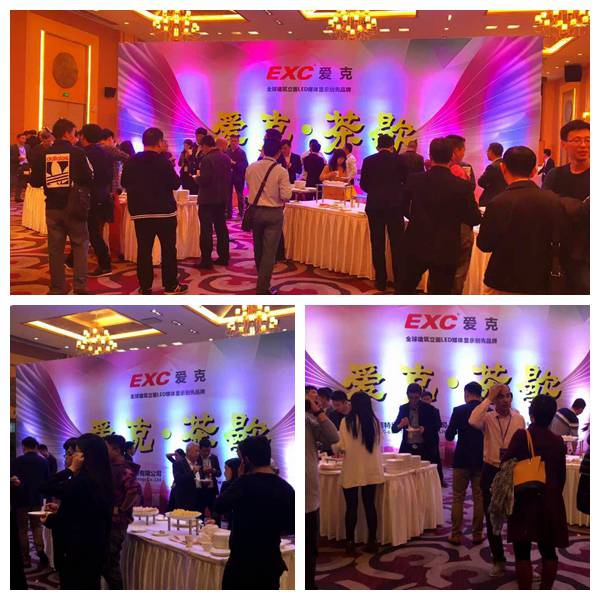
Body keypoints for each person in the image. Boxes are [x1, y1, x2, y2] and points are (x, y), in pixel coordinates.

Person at [477, 146, 567, 294]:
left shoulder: (498, 202)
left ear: (503, 168)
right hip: (540, 280)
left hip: (503, 280)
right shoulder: (552, 199)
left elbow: (485, 244)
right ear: (534, 171)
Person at [502, 394, 568, 590]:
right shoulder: (558, 441)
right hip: (550, 501)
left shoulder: (522, 436)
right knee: (549, 551)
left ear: (531, 414)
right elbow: (561, 477)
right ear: (552, 416)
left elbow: (506, 464)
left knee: (522, 552)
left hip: (524, 500)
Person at [402, 137, 481, 294]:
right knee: (440, 294)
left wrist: (417, 219)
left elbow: (404, 208)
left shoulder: (415, 180)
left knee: (405, 288)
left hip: (416, 241)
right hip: (446, 246)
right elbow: (474, 218)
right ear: (451, 156)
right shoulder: (462, 186)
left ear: (430, 156)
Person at [215, 436, 294, 590]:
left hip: (241, 563)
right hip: (270, 562)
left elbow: (219, 506)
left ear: (246, 460)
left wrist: (239, 479)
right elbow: (291, 526)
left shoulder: (243, 485)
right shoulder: (286, 488)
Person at [40, 434, 114, 589]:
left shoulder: (82, 481)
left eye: (77, 452)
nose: (73, 456)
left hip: (76, 550)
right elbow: (83, 511)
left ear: (86, 456)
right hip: (95, 547)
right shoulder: (103, 478)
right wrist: (62, 508)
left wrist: (70, 469)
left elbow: (45, 486)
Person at [121, 126, 188, 294]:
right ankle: (170, 285)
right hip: (164, 213)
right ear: (158, 142)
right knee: (168, 249)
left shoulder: (131, 161)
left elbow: (124, 183)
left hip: (141, 213)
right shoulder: (163, 161)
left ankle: (145, 286)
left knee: (144, 250)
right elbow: (176, 183)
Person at [29, 118, 93, 294]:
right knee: (80, 245)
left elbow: (34, 182)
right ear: (66, 133)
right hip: (75, 206)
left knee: (55, 249)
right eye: (74, 133)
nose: (76, 137)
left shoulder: (44, 154)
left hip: (52, 207)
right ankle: (80, 286)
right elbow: (88, 177)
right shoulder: (78, 153)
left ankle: (57, 287)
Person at [469, 383, 526, 577]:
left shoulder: (519, 419)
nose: (505, 400)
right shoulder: (487, 418)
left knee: (517, 517)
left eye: (508, 396)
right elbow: (472, 420)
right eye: (500, 397)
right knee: (492, 516)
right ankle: (498, 560)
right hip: (491, 470)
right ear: (494, 400)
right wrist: (488, 398)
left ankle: (522, 562)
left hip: (513, 470)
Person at [334, 391, 385, 555]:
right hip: (372, 470)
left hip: (352, 470)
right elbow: (380, 443)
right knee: (370, 505)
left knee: (351, 507)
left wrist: (335, 446)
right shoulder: (375, 422)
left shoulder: (346, 422)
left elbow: (341, 446)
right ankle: (372, 541)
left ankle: (350, 543)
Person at [543, 119, 590, 294]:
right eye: (577, 140)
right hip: (559, 254)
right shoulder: (555, 175)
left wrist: (561, 201)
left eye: (588, 140)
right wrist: (578, 205)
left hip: (588, 255)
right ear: (564, 144)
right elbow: (545, 205)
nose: (583, 145)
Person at [360, 134, 409, 293]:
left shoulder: (368, 160)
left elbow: (363, 184)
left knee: (377, 243)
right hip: (395, 207)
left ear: (378, 146)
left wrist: (375, 191)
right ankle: (399, 282)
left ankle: (381, 281)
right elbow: (406, 183)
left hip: (374, 206)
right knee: (397, 245)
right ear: (392, 146)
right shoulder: (400, 160)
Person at [245, 137, 292, 294]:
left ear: (264, 150)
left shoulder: (251, 167)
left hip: (255, 212)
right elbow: (286, 195)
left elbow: (249, 188)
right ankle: (262, 287)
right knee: (269, 252)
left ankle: (262, 279)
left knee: (258, 247)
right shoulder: (281, 171)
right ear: (278, 153)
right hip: (273, 213)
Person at [305, 388, 339, 589]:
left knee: (310, 546)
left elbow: (333, 437)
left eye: (316, 399)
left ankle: (309, 584)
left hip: (309, 495)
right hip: (301, 489)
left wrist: (316, 411)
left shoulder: (310, 420)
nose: (314, 401)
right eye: (310, 398)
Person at [445, 382, 485, 546]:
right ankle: (477, 534)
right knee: (479, 498)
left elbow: (449, 436)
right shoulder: (488, 411)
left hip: (461, 459)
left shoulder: (459, 410)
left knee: (458, 497)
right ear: (480, 394)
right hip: (481, 460)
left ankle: (455, 535)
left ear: (466, 393)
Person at [75, 124, 114, 277]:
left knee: (92, 231)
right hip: (103, 195)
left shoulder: (83, 153)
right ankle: (71, 260)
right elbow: (109, 176)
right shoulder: (105, 153)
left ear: (83, 136)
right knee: (90, 229)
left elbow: (81, 177)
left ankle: (105, 265)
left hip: (88, 196)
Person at [103, 434, 141, 589]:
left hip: (116, 523)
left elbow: (134, 491)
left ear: (116, 449)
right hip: (109, 522)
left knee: (109, 564)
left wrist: (121, 509)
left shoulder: (124, 469)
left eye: (106, 448)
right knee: (107, 562)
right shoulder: (113, 467)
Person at [11, 436, 50, 568]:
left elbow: (12, 480)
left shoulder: (17, 461)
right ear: (36, 446)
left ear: (24, 447)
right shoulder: (43, 462)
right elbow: (47, 482)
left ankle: (26, 559)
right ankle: (40, 551)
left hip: (20, 500)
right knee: (37, 526)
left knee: (22, 529)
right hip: (37, 499)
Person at [195, 134, 232, 269]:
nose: (201, 150)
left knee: (206, 230)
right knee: (221, 228)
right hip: (221, 198)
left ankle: (206, 260)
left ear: (205, 146)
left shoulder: (207, 159)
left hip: (207, 199)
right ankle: (224, 257)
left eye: (201, 147)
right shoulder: (226, 158)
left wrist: (196, 178)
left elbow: (205, 180)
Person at [446, 134, 477, 294]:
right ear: (455, 151)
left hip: (441, 228)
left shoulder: (436, 172)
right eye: (463, 149)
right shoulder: (459, 171)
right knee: (459, 271)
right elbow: (468, 200)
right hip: (461, 226)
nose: (464, 152)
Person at [391, 384, 441, 464]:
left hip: (425, 448)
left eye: (416, 398)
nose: (413, 400)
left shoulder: (429, 409)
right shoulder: (403, 408)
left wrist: (425, 429)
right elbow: (394, 429)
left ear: (420, 395)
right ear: (407, 395)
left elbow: (437, 426)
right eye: (411, 398)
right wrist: (400, 424)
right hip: (408, 448)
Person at [421, 390, 446, 487]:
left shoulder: (435, 410)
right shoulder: (418, 411)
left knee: (436, 460)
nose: (426, 401)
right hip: (420, 439)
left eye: (428, 399)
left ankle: (440, 480)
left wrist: (426, 429)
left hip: (432, 438)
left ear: (431, 400)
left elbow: (438, 425)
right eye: (424, 399)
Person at [99, 128, 130, 198]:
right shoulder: (109, 149)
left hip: (98, 187)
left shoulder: (96, 147)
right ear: (110, 138)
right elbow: (127, 158)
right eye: (113, 140)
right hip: (110, 188)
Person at [197, 438, 222, 518]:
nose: (206, 453)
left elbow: (219, 473)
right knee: (199, 515)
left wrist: (213, 471)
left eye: (208, 450)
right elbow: (194, 474)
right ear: (199, 449)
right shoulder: (196, 459)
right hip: (200, 491)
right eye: (204, 451)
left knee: (215, 514)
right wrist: (203, 472)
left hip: (212, 491)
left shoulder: (214, 458)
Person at [172, 442, 201, 510]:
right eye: (196, 451)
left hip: (199, 500)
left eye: (198, 451)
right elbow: (178, 479)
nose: (198, 453)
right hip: (185, 501)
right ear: (188, 452)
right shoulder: (178, 464)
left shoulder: (199, 462)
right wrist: (192, 473)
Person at [226, 134, 248, 218]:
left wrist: (234, 163)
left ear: (238, 142)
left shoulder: (242, 153)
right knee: (228, 195)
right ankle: (229, 213)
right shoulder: (227, 151)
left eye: (235, 141)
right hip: (228, 176)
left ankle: (241, 213)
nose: (233, 143)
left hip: (239, 176)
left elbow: (245, 165)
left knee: (240, 195)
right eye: (232, 141)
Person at [214, 457, 241, 528]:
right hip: (229, 523)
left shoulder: (241, 485)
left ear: (234, 470)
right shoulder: (225, 484)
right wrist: (214, 519)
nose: (224, 472)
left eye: (226, 469)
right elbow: (218, 508)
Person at [477, 142, 505, 207]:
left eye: (487, 151)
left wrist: (489, 185)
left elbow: (481, 182)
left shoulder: (492, 167)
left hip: (491, 200)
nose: (487, 153)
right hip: (503, 198)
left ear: (491, 152)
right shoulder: (506, 164)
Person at [10, 132, 31, 202]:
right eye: (22, 138)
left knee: (22, 181)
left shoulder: (27, 147)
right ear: (18, 139)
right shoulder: (12, 147)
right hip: (16, 166)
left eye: (25, 138)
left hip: (25, 166)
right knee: (12, 182)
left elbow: (30, 156)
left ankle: (18, 197)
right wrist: (17, 158)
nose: (24, 140)